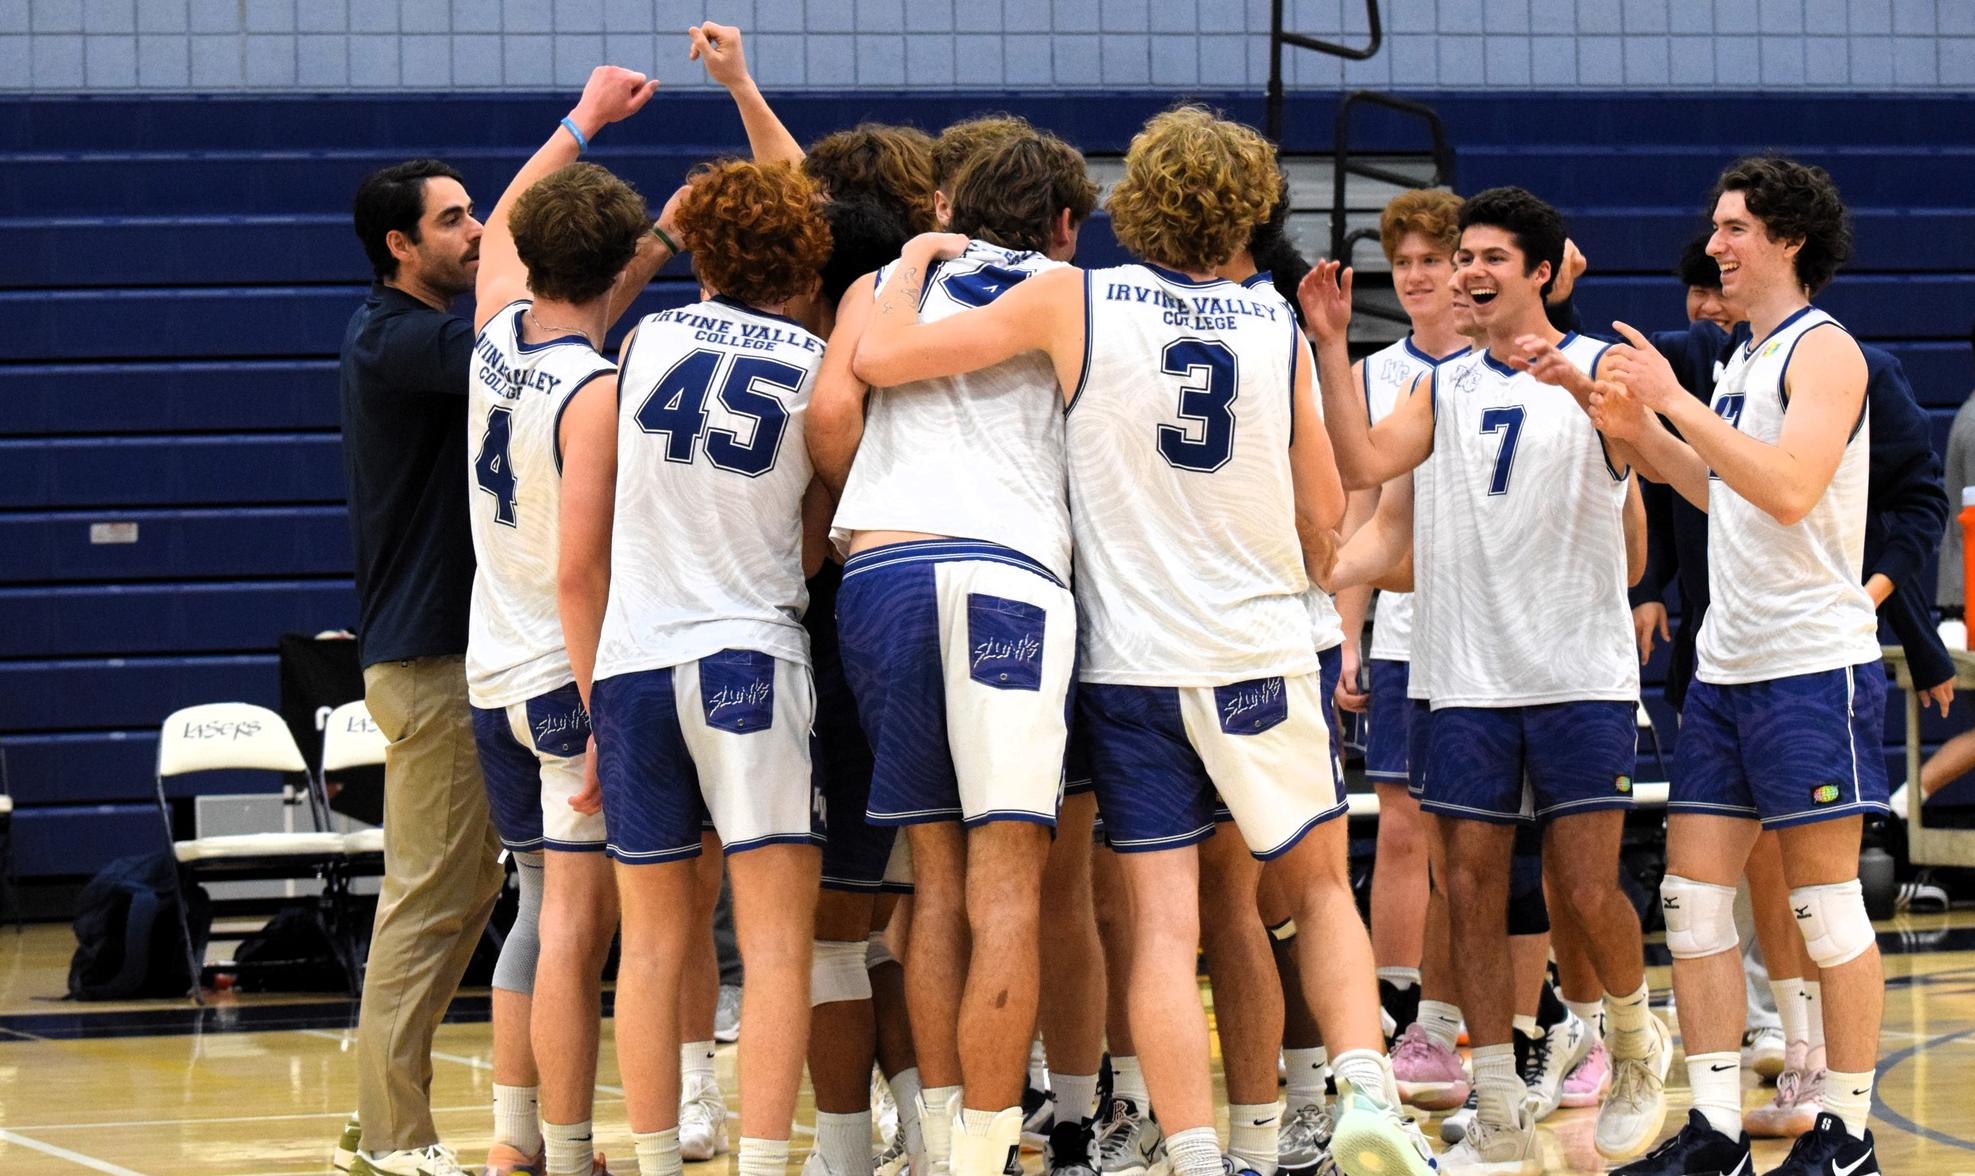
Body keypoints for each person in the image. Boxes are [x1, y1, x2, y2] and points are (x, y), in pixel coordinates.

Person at [852, 105, 1434, 1176]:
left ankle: (1199, 1151)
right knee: (1308, 892)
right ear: (1251, 209)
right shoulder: (1269, 324)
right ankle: (1363, 1091)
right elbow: (1323, 515)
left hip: (1129, 664)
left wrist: (914, 257)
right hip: (1256, 648)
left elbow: (884, 359)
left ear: (1136, 201)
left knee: (1160, 927)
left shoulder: (1071, 298)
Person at [1304, 186, 1671, 1170]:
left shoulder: (1599, 372)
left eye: (1491, 257)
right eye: (1462, 254)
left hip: (1578, 672)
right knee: (1465, 885)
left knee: (1584, 889)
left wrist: (1600, 407)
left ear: (1542, 272)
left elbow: (1668, 477)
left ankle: (1633, 1043)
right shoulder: (1442, 383)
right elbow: (1361, 459)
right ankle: (1500, 1099)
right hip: (1462, 672)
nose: (1467, 271)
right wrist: (1333, 349)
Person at [1587, 155, 1889, 1176]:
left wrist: (1674, 400)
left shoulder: (1826, 352)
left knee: (1821, 906)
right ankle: (1713, 1130)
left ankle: (1845, 1133)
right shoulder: (1744, 360)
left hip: (1810, 663)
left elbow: (1794, 489)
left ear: (1787, 240)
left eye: (1733, 228)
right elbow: (1728, 495)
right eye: (1716, 227)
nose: (1714, 244)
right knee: (1690, 900)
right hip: (1727, 666)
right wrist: (1645, 434)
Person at [817, 123, 1097, 1176]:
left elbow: (834, 416)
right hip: (1007, 575)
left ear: (946, 206)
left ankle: (935, 1147)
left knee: (931, 885)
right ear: (1066, 223)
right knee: (1010, 886)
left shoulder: (880, 285)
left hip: (881, 569)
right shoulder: (1074, 292)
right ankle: (988, 1151)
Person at [559, 157, 834, 1176]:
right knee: (772, 947)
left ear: (706, 251)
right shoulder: (813, 365)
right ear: (805, 259)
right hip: (746, 660)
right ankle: (763, 1164)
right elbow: (810, 551)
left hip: (633, 669)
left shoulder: (644, 342)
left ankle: (654, 1159)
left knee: (654, 945)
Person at [463, 66, 669, 1176]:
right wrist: (600, 714)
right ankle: (571, 1144)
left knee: (535, 913)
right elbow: (584, 571)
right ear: (619, 265)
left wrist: (583, 119)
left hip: (490, 671)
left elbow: (502, 223)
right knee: (575, 933)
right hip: (557, 672)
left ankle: (513, 1143)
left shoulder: (495, 329)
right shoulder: (593, 391)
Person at [338, 156, 505, 1176]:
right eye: (453, 220)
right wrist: (575, 131)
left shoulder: (417, 337)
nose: (476, 230)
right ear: (401, 246)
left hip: (455, 657)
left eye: (477, 210)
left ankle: (378, 1117)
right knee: (429, 901)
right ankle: (395, 1139)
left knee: (461, 897)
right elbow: (524, 326)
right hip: (432, 661)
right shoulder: (399, 339)